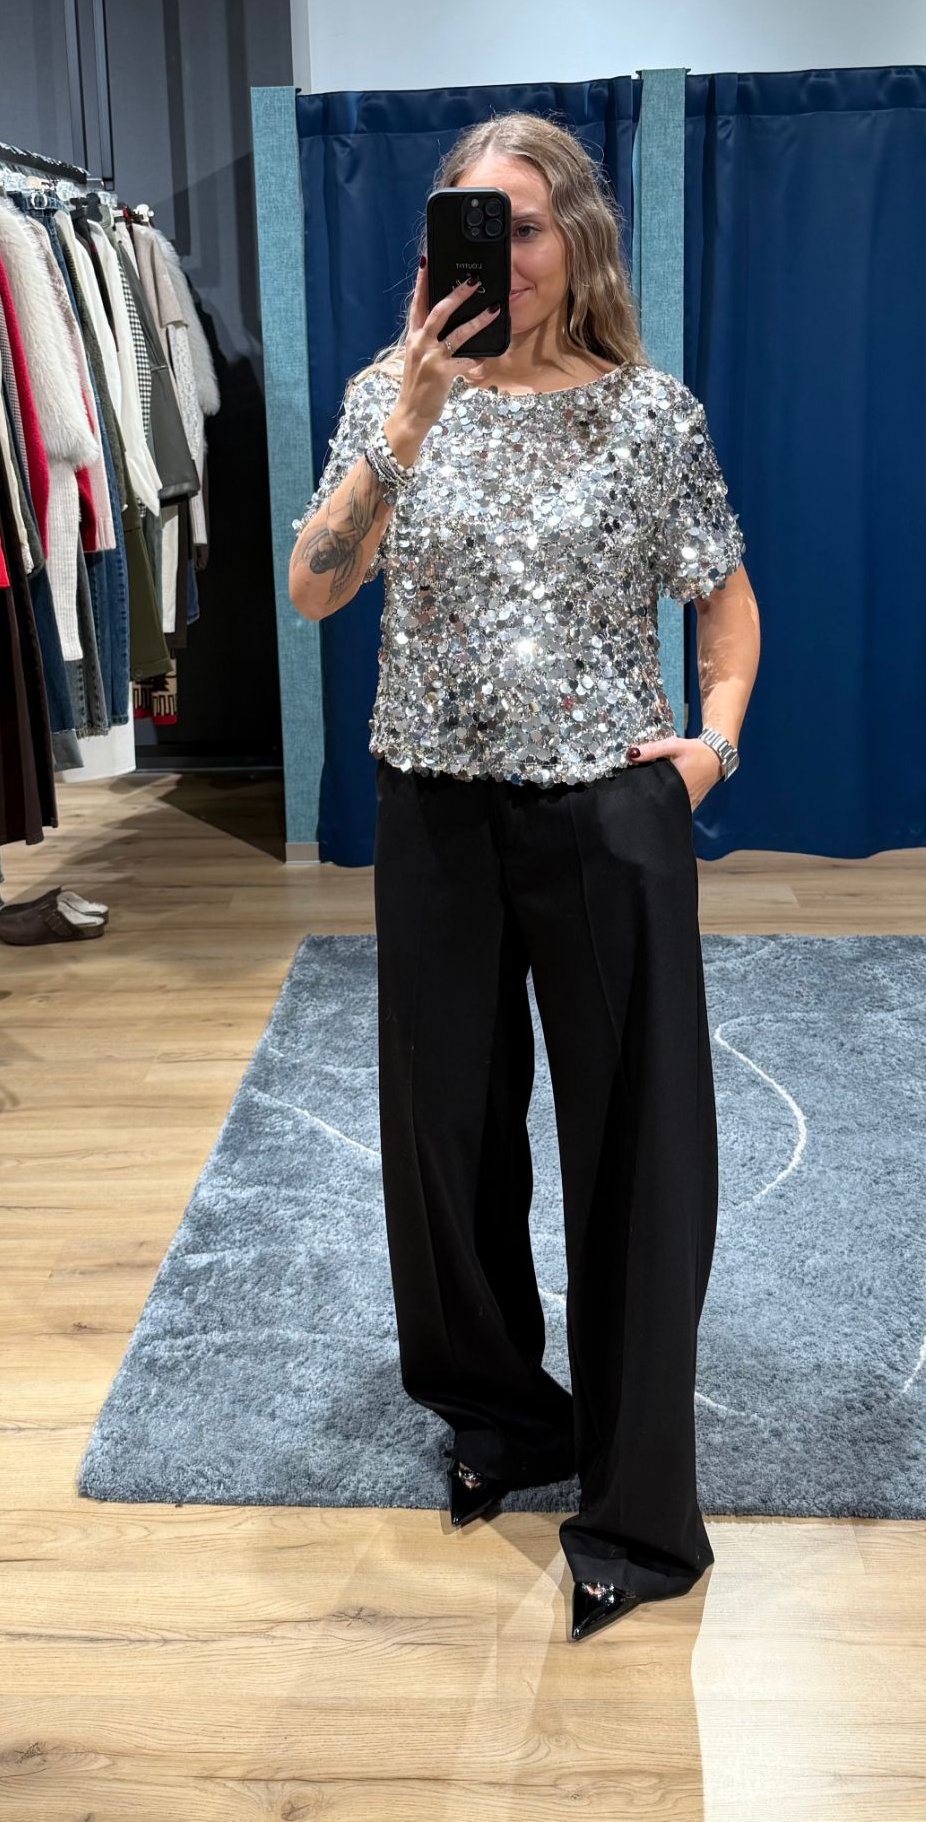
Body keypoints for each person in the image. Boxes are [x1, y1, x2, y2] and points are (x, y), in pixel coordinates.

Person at [288, 111, 760, 1642]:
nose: (497, 257)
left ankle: (637, 1510)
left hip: (608, 814)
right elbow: (313, 588)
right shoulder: (389, 396)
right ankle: (500, 1415)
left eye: (524, 226)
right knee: (445, 1138)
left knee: (637, 1153)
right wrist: (405, 430)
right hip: (433, 811)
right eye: (468, 227)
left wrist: (713, 745)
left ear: (576, 241)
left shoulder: (651, 415)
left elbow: (726, 601)